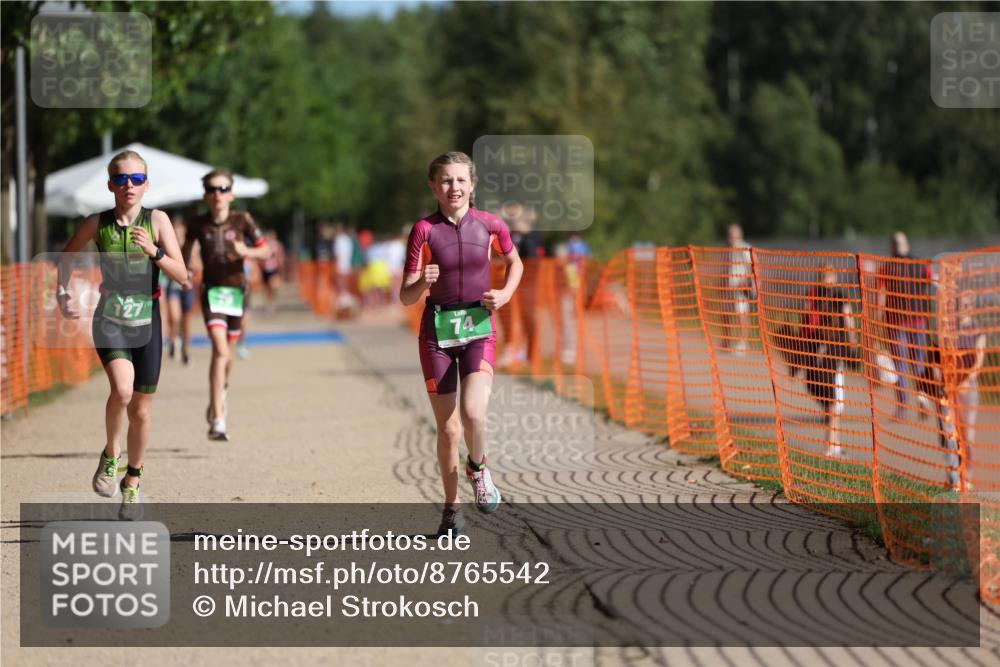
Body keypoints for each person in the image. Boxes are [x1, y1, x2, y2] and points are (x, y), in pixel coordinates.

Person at [56, 149, 187, 517]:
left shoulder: (157, 221)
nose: (129, 185)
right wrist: (62, 290)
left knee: (142, 412)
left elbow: (184, 275)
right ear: (110, 184)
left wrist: (156, 251)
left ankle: (133, 480)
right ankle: (111, 454)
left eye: (137, 179)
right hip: (111, 316)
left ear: (147, 185)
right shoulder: (97, 224)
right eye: (122, 179)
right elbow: (65, 257)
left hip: (148, 318)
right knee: (122, 390)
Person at [400, 151, 523, 536]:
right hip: (436, 333)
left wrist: (504, 294)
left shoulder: (490, 225)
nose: (454, 187)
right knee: (449, 430)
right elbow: (405, 296)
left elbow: (516, 263)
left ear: (472, 185)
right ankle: (452, 512)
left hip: (478, 327)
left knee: (473, 412)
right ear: (434, 187)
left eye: (460, 180)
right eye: (446, 181)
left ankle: (479, 468)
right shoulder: (423, 230)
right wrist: (423, 282)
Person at [182, 169, 269, 441]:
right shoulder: (197, 224)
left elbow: (266, 250)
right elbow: (184, 254)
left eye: (222, 189)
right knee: (219, 350)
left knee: (228, 355)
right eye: (211, 189)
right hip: (212, 292)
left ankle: (220, 394)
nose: (217, 194)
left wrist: (248, 252)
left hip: (237, 293)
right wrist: (184, 271)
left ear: (231, 194)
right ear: (205, 195)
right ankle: (218, 418)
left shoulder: (242, 220)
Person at [800, 263, 857, 458]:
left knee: (828, 401)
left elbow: (805, 322)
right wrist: (853, 346)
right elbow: (849, 322)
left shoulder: (812, 295)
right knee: (834, 404)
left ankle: (835, 443)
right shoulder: (840, 297)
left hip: (816, 351)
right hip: (833, 352)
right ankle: (831, 447)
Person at [876, 231, 933, 421]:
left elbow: (880, 295)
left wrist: (876, 317)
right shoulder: (918, 264)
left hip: (904, 322)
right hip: (911, 321)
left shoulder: (889, 267)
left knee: (904, 365)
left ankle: (908, 404)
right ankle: (919, 400)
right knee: (915, 364)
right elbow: (935, 282)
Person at [165, 216, 196, 364]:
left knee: (186, 320)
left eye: (180, 233)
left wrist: (189, 271)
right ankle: (173, 341)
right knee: (174, 317)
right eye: (174, 233)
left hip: (188, 287)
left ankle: (186, 348)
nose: (177, 236)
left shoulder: (192, 247)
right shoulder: (168, 247)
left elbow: (199, 266)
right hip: (174, 286)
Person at [725, 224, 754, 354]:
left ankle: (743, 343)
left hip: (742, 287)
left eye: (734, 236)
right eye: (730, 236)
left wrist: (745, 283)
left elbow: (751, 268)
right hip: (732, 287)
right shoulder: (730, 250)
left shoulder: (745, 248)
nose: (732, 239)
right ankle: (731, 341)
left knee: (742, 314)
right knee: (732, 315)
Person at [260, 229, 286, 315]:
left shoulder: (277, 245)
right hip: (265, 270)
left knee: (274, 286)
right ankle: (268, 304)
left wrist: (281, 266)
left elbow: (280, 255)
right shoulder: (264, 245)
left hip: (274, 269)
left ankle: (273, 303)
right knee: (267, 289)